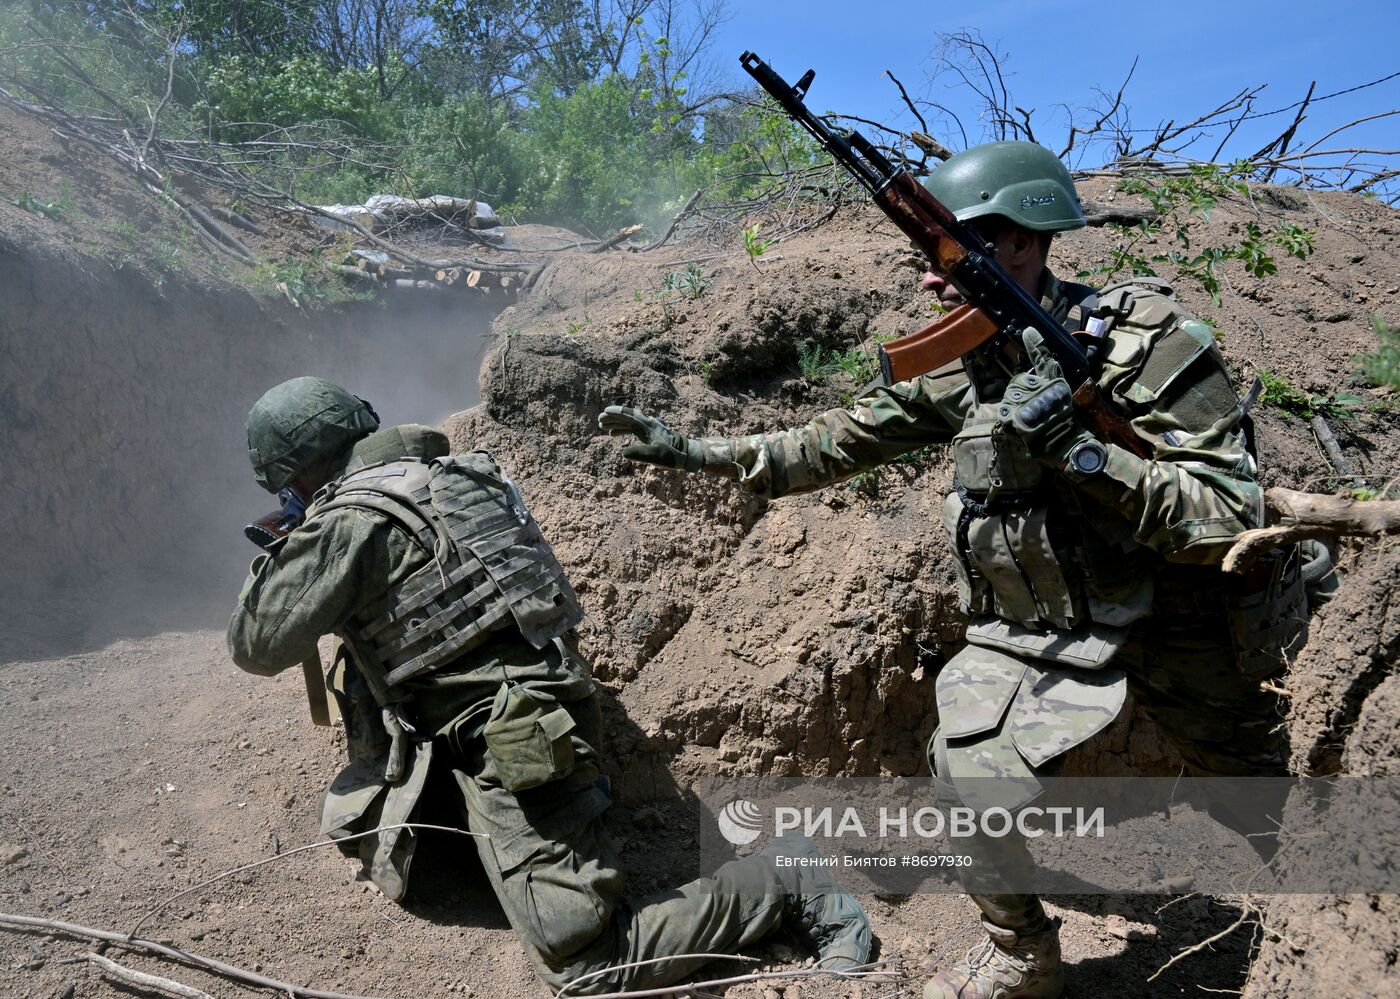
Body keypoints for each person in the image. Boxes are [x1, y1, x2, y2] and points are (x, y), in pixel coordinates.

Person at [599, 141, 1322, 999]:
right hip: (1054, 632)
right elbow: (834, 441)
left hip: (1188, 618)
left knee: (1275, 800)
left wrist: (1084, 453)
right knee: (964, 767)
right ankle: (1022, 954)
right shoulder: (971, 366)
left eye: (946, 255)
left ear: (1021, 241)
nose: (929, 280)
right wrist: (698, 452)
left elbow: (1232, 514)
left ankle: (1336, 937)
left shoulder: (1148, 341)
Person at [227, 376, 873, 995]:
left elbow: (254, 643)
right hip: (528, 714)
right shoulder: (454, 474)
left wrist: (289, 545)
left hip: (520, 746)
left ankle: (786, 880)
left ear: (296, 474)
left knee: (588, 965)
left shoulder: (349, 522)